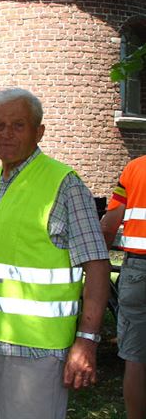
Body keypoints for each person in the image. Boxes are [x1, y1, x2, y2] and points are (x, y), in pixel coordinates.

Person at [0, 88, 111, 419]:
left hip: (37, 349)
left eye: (18, 125)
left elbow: (97, 266)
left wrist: (86, 341)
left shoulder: (64, 185)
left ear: (39, 131)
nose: (6, 134)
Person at [101, 156, 146, 419]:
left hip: (138, 270)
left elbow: (109, 225)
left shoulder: (134, 168)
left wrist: (96, 265)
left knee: (136, 358)